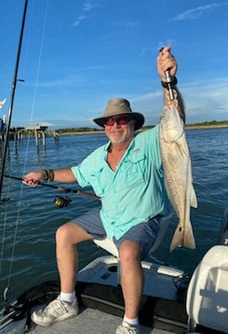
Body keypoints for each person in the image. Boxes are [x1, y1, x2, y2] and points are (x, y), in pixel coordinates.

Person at [23, 46, 185, 334]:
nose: (114, 125)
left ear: (133, 123)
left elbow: (174, 120)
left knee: (127, 253)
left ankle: (130, 322)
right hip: (108, 216)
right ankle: (67, 300)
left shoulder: (149, 144)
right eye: (109, 121)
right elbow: (75, 173)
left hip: (143, 219)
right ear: (104, 126)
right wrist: (44, 173)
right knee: (63, 234)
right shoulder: (98, 156)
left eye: (121, 119)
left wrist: (168, 81)